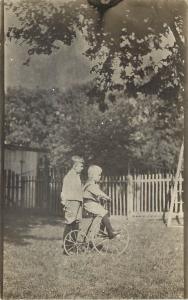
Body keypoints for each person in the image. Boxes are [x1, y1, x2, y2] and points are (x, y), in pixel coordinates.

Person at [83, 165, 120, 239]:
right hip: (89, 204)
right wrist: (106, 197)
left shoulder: (93, 184)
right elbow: (98, 192)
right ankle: (110, 232)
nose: (100, 176)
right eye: (99, 175)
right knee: (104, 213)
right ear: (93, 175)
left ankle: (101, 232)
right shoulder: (90, 184)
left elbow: (96, 194)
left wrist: (103, 198)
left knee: (104, 213)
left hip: (92, 203)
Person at [61, 155, 84, 243]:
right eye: (81, 166)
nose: (82, 168)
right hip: (71, 202)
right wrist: (64, 202)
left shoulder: (77, 176)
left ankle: (73, 245)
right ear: (75, 166)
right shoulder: (69, 177)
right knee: (70, 222)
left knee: (76, 223)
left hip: (77, 202)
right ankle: (67, 246)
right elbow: (64, 190)